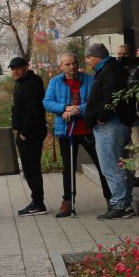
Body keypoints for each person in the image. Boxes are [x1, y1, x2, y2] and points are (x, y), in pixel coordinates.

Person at [43, 51, 111, 218]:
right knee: (68, 168)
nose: (72, 66)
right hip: (65, 131)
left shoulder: (90, 79)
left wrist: (78, 109)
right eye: (68, 64)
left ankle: (111, 199)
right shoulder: (54, 82)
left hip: (89, 130)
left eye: (74, 63)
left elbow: (97, 100)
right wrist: (65, 108)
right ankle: (68, 202)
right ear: (61, 67)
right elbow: (47, 102)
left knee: (102, 165)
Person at [83, 42, 137, 220]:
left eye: (88, 57)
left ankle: (121, 205)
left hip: (110, 125)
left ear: (97, 56)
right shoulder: (111, 68)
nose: (87, 60)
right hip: (115, 124)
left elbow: (111, 96)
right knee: (122, 165)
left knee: (111, 166)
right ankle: (124, 203)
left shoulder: (109, 70)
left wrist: (101, 116)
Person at [9, 56, 48, 215]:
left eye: (17, 68)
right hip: (27, 132)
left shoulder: (31, 84)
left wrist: (24, 132)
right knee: (29, 168)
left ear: (26, 67)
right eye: (12, 68)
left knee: (32, 169)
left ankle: (38, 203)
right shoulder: (22, 83)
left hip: (31, 133)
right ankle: (36, 201)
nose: (14, 71)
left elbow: (34, 111)